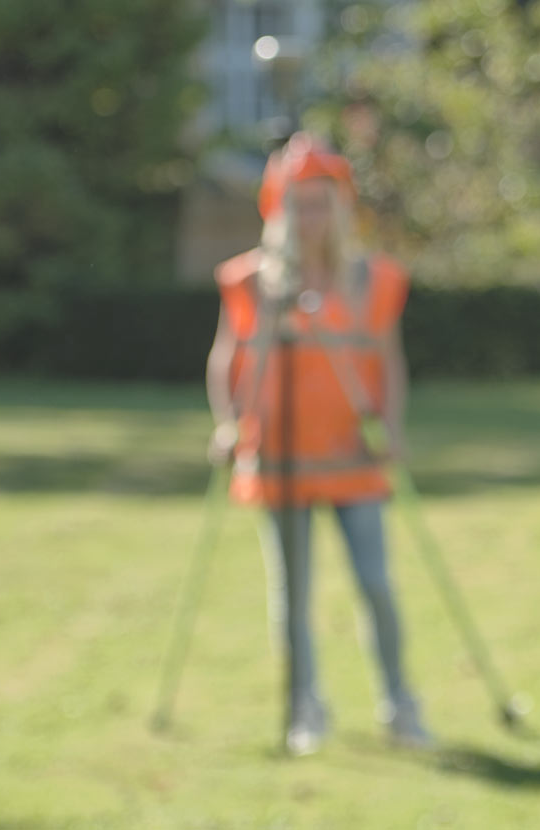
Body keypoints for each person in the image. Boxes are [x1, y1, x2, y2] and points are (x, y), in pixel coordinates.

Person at [206, 133, 430, 754]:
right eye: (297, 204)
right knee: (293, 596)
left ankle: (400, 704)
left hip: (353, 458)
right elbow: (227, 356)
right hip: (278, 458)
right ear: (277, 208)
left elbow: (388, 360)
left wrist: (392, 426)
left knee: (376, 583)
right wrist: (227, 423)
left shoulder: (373, 280)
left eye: (320, 203)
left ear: (340, 208)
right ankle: (305, 709)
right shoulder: (252, 281)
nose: (309, 217)